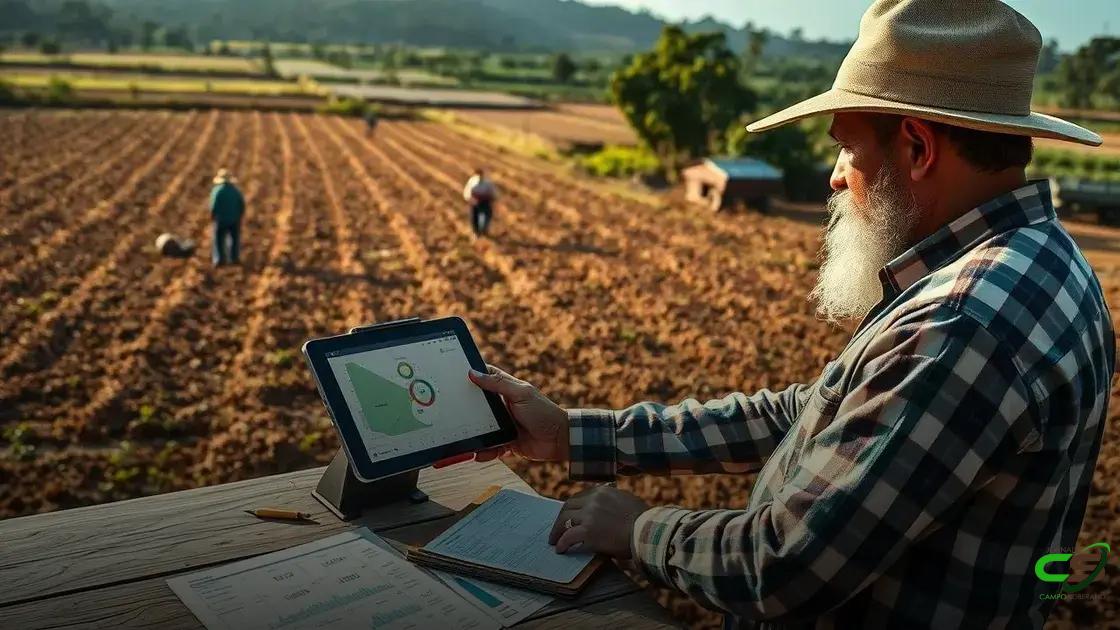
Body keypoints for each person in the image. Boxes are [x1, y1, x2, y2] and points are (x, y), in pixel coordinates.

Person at [462, 1, 1114, 627]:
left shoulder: (961, 328)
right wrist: (572, 433)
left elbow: (785, 565)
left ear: (917, 149)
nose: (835, 177)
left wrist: (637, 528)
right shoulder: (1045, 261)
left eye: (846, 148)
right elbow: (815, 415)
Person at [209, 168, 245, 266]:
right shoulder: (235, 191)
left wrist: (212, 216)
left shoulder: (217, 191)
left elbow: (213, 206)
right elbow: (241, 204)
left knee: (219, 240)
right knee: (234, 239)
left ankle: (219, 259)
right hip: (234, 219)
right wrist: (239, 215)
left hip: (221, 220)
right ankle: (234, 258)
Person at [462, 169, 497, 238]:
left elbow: (493, 191)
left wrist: (493, 198)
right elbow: (467, 191)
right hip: (475, 201)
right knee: (475, 217)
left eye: (480, 175)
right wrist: (470, 199)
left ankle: (483, 230)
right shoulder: (472, 181)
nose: (479, 177)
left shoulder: (487, 182)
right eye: (477, 176)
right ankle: (476, 232)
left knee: (486, 216)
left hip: (485, 201)